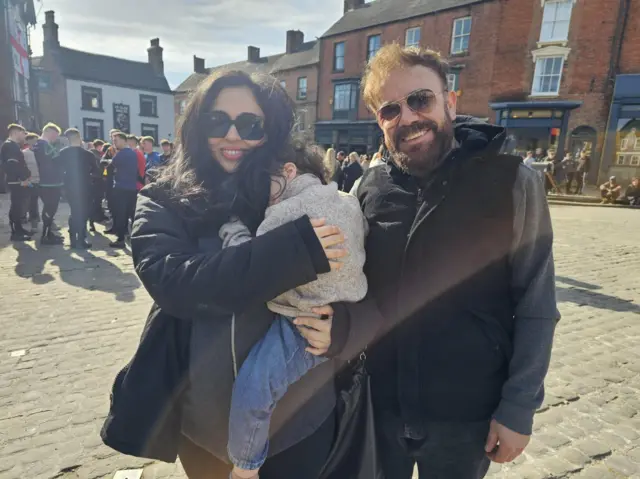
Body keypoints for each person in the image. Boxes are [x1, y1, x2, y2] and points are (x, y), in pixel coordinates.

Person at [100, 70, 379, 479]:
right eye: (218, 121)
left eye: (250, 124)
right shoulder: (163, 197)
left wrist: (345, 327)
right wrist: (291, 250)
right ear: (197, 125)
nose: (233, 135)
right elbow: (176, 283)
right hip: (205, 429)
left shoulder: (293, 188)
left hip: (299, 423)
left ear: (270, 131)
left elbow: (369, 282)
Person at [355, 44, 558, 478]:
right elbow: (353, 292)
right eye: (391, 109)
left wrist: (519, 407)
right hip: (380, 409)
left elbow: (537, 304)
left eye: (419, 99)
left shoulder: (512, 182)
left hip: (466, 417)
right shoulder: (369, 189)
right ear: (380, 121)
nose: (408, 117)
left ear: (449, 101)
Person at [220, 140, 368, 479]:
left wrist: (232, 229)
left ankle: (244, 467)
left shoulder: (283, 213)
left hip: (304, 323)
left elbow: (251, 266)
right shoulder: (348, 201)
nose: (263, 197)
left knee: (254, 387)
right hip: (346, 312)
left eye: (265, 186)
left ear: (289, 172)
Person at [57, 129, 100, 248]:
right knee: (83, 212)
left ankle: (73, 239)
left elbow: (58, 170)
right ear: (79, 137)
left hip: (69, 186)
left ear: (68, 139)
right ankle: (81, 238)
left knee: (74, 211)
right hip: (85, 186)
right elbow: (97, 172)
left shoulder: (63, 153)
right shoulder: (88, 154)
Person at [104, 132, 139, 248]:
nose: (114, 143)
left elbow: (111, 165)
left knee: (120, 214)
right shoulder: (133, 153)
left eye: (116, 141)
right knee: (131, 214)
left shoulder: (121, 153)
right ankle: (133, 237)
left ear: (124, 141)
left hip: (121, 188)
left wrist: (108, 161)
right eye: (113, 141)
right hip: (132, 188)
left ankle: (120, 239)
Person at [33, 122, 65, 245]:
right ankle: (45, 236)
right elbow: (53, 161)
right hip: (49, 183)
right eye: (55, 135)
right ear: (48, 132)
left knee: (50, 208)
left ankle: (48, 233)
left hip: (50, 182)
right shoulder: (43, 145)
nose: (55, 138)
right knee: (50, 208)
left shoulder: (40, 145)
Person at [1, 124, 33, 241]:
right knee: (16, 206)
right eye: (23, 133)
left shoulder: (12, 145)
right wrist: (22, 178)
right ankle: (16, 233)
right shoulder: (10, 146)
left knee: (18, 206)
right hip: (16, 181)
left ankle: (18, 229)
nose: (25, 136)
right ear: (15, 132)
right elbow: (12, 164)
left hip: (16, 180)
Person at [23, 132, 41, 228]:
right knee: (32, 201)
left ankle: (48, 221)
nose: (35, 143)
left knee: (47, 201)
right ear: (28, 142)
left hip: (41, 181)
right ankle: (33, 220)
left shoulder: (40, 152)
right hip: (30, 181)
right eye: (33, 141)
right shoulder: (24, 153)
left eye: (36, 141)